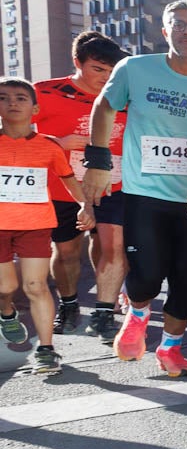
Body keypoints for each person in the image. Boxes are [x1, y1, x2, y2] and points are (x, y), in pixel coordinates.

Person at [83, 0, 187, 375]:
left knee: (185, 278)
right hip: (145, 193)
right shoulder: (135, 69)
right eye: (179, 24)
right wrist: (96, 163)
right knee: (145, 275)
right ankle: (139, 311)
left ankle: (171, 349)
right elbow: (104, 107)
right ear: (165, 32)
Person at [31, 31, 129, 343]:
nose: (105, 78)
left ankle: (104, 308)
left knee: (110, 246)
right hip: (64, 188)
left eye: (112, 72)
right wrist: (56, 144)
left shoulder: (127, 95)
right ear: (77, 63)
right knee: (67, 251)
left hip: (115, 184)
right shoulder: (44, 92)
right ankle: (70, 304)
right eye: (98, 70)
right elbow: (12, 132)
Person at [0, 79, 91, 374]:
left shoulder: (49, 145)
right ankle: (6, 312)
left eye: (20, 98)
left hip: (35, 225)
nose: (12, 102)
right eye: (4, 98)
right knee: (6, 287)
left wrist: (84, 205)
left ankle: (47, 350)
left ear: (35, 108)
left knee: (35, 285)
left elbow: (67, 179)